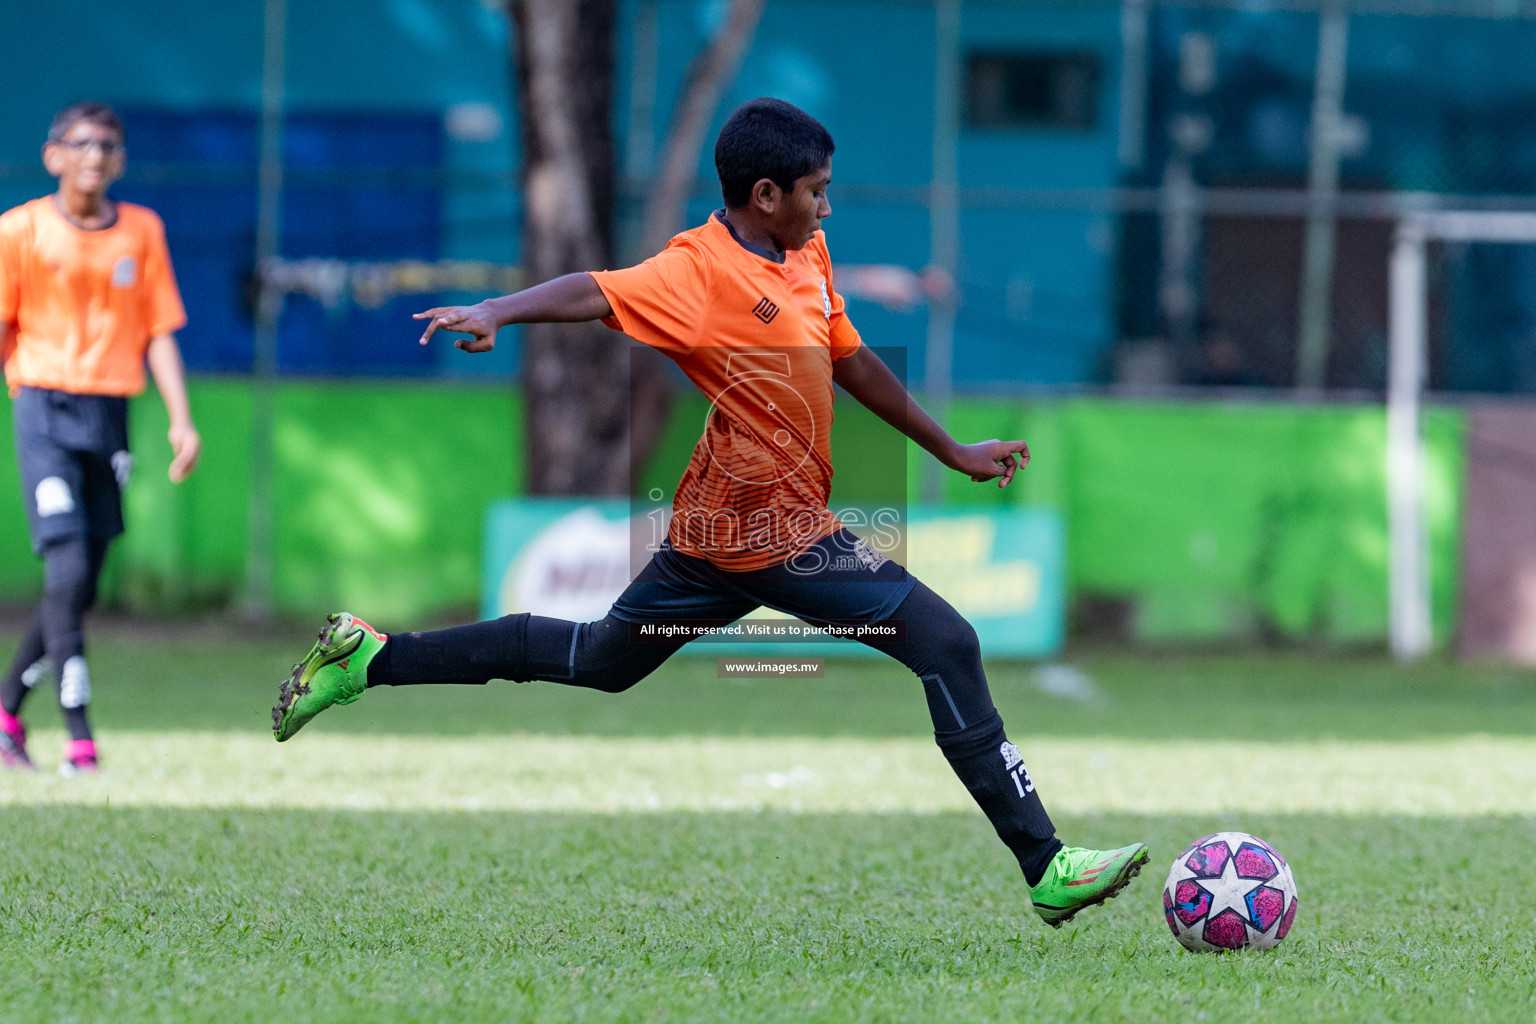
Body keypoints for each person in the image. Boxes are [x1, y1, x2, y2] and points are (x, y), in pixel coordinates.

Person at [271, 98, 1146, 927]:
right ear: (765, 196)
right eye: (816, 193)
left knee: (601, 658)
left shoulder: (806, 256)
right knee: (946, 640)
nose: (826, 209)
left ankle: (371, 659)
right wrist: (498, 310)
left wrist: (949, 448)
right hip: (767, 534)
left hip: (714, 530)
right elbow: (594, 288)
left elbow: (851, 359)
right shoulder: (695, 271)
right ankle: (1048, 867)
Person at [0, 102, 201, 774]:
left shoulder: (142, 230)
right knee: (66, 569)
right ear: (53, 155)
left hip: (110, 414)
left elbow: (160, 330)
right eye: (82, 143)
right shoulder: (20, 230)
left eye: (108, 145)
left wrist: (181, 419)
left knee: (80, 585)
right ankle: (80, 739)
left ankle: (4, 712)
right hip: (43, 409)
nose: (96, 155)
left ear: (120, 160)